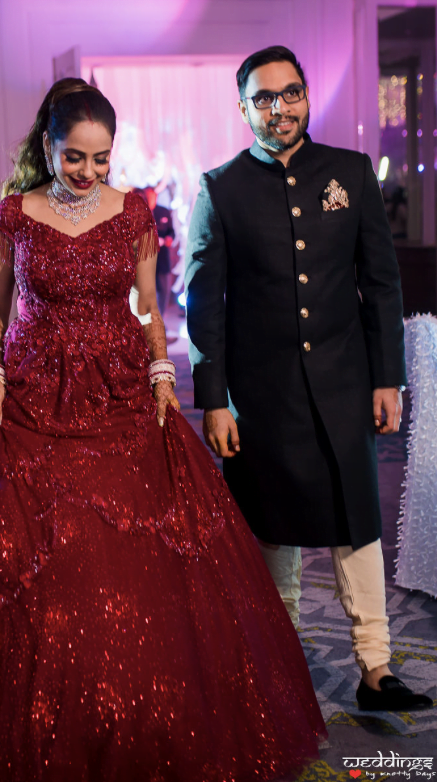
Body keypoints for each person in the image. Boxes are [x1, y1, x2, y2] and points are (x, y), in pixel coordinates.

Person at [0, 78, 326, 781]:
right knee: (37, 556)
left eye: (101, 159)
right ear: (47, 146)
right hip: (32, 401)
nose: (88, 173)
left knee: (136, 561)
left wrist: (161, 374)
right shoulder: (13, 215)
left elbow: (146, 307)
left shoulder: (132, 211)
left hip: (118, 396)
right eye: (74, 158)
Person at [185, 46, 434, 713]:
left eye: (289, 93)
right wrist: (213, 401)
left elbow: (380, 282)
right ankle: (281, 664)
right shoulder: (220, 188)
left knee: (358, 521)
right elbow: (202, 306)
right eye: (263, 98)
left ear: (304, 96)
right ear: (243, 110)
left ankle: (376, 667)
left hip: (345, 383)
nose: (279, 107)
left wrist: (389, 379)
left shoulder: (348, 173)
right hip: (261, 394)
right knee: (273, 527)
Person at [142, 186, 175, 316]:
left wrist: (169, 238)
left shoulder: (164, 211)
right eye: (147, 196)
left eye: (152, 196)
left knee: (165, 291)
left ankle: (161, 321)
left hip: (162, 259)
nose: (150, 198)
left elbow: (172, 232)